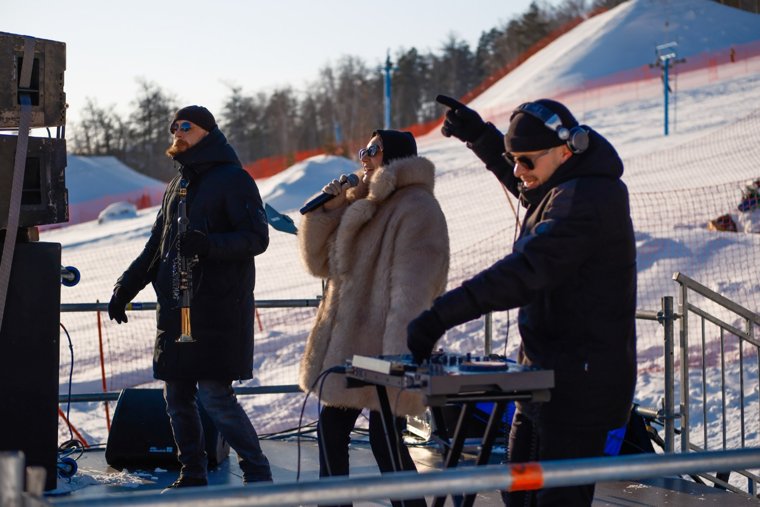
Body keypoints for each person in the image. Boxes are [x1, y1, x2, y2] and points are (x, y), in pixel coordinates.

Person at [407, 96, 637, 507]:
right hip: (541, 380)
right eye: (514, 159)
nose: (518, 171)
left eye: (526, 160)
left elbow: (528, 269)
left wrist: (442, 315)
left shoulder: (589, 199)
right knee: (518, 493)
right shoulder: (563, 182)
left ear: (569, 149)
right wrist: (480, 137)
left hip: (578, 391)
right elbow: (526, 181)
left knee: (555, 502)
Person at [107, 105, 273, 489]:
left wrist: (207, 245)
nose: (177, 132)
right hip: (176, 309)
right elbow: (156, 246)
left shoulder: (234, 179)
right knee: (177, 397)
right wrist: (125, 287)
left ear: (208, 132)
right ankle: (192, 472)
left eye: (186, 126)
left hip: (216, 310)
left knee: (216, 397)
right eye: (174, 127)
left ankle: (258, 472)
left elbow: (256, 238)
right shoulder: (177, 184)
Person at [298, 130, 449, 507]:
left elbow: (415, 291)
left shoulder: (416, 206)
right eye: (363, 149)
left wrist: (399, 360)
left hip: (386, 350)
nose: (363, 156)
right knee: (333, 431)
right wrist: (329, 210)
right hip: (349, 348)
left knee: (386, 441)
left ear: (393, 156)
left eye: (372, 150)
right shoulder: (363, 203)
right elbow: (319, 263)